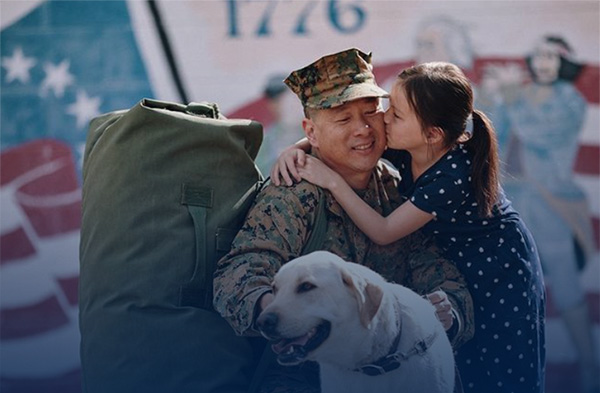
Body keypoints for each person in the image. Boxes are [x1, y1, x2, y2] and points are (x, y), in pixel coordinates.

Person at [273, 62, 546, 393]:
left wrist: (331, 181)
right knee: (465, 361)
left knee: (500, 364)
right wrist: (298, 148)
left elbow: (384, 231)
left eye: (396, 114)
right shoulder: (413, 144)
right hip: (457, 256)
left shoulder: (450, 175)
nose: (384, 119)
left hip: (498, 269)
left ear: (431, 133)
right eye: (388, 107)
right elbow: (335, 139)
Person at [213, 49, 474, 393]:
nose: (363, 130)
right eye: (343, 119)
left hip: (392, 370)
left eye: (371, 113)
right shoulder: (292, 194)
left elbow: (443, 276)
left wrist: (449, 310)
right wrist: (281, 314)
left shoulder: (395, 190)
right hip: (303, 371)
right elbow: (239, 272)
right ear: (312, 133)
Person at [482, 35, 598, 393]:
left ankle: (589, 365)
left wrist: (513, 99)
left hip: (552, 203)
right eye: (540, 55)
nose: (544, 62)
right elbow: (493, 137)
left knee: (564, 285)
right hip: (511, 202)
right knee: (510, 287)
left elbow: (544, 135)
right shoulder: (520, 95)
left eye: (553, 56)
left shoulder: (570, 100)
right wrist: (492, 97)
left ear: (563, 62)